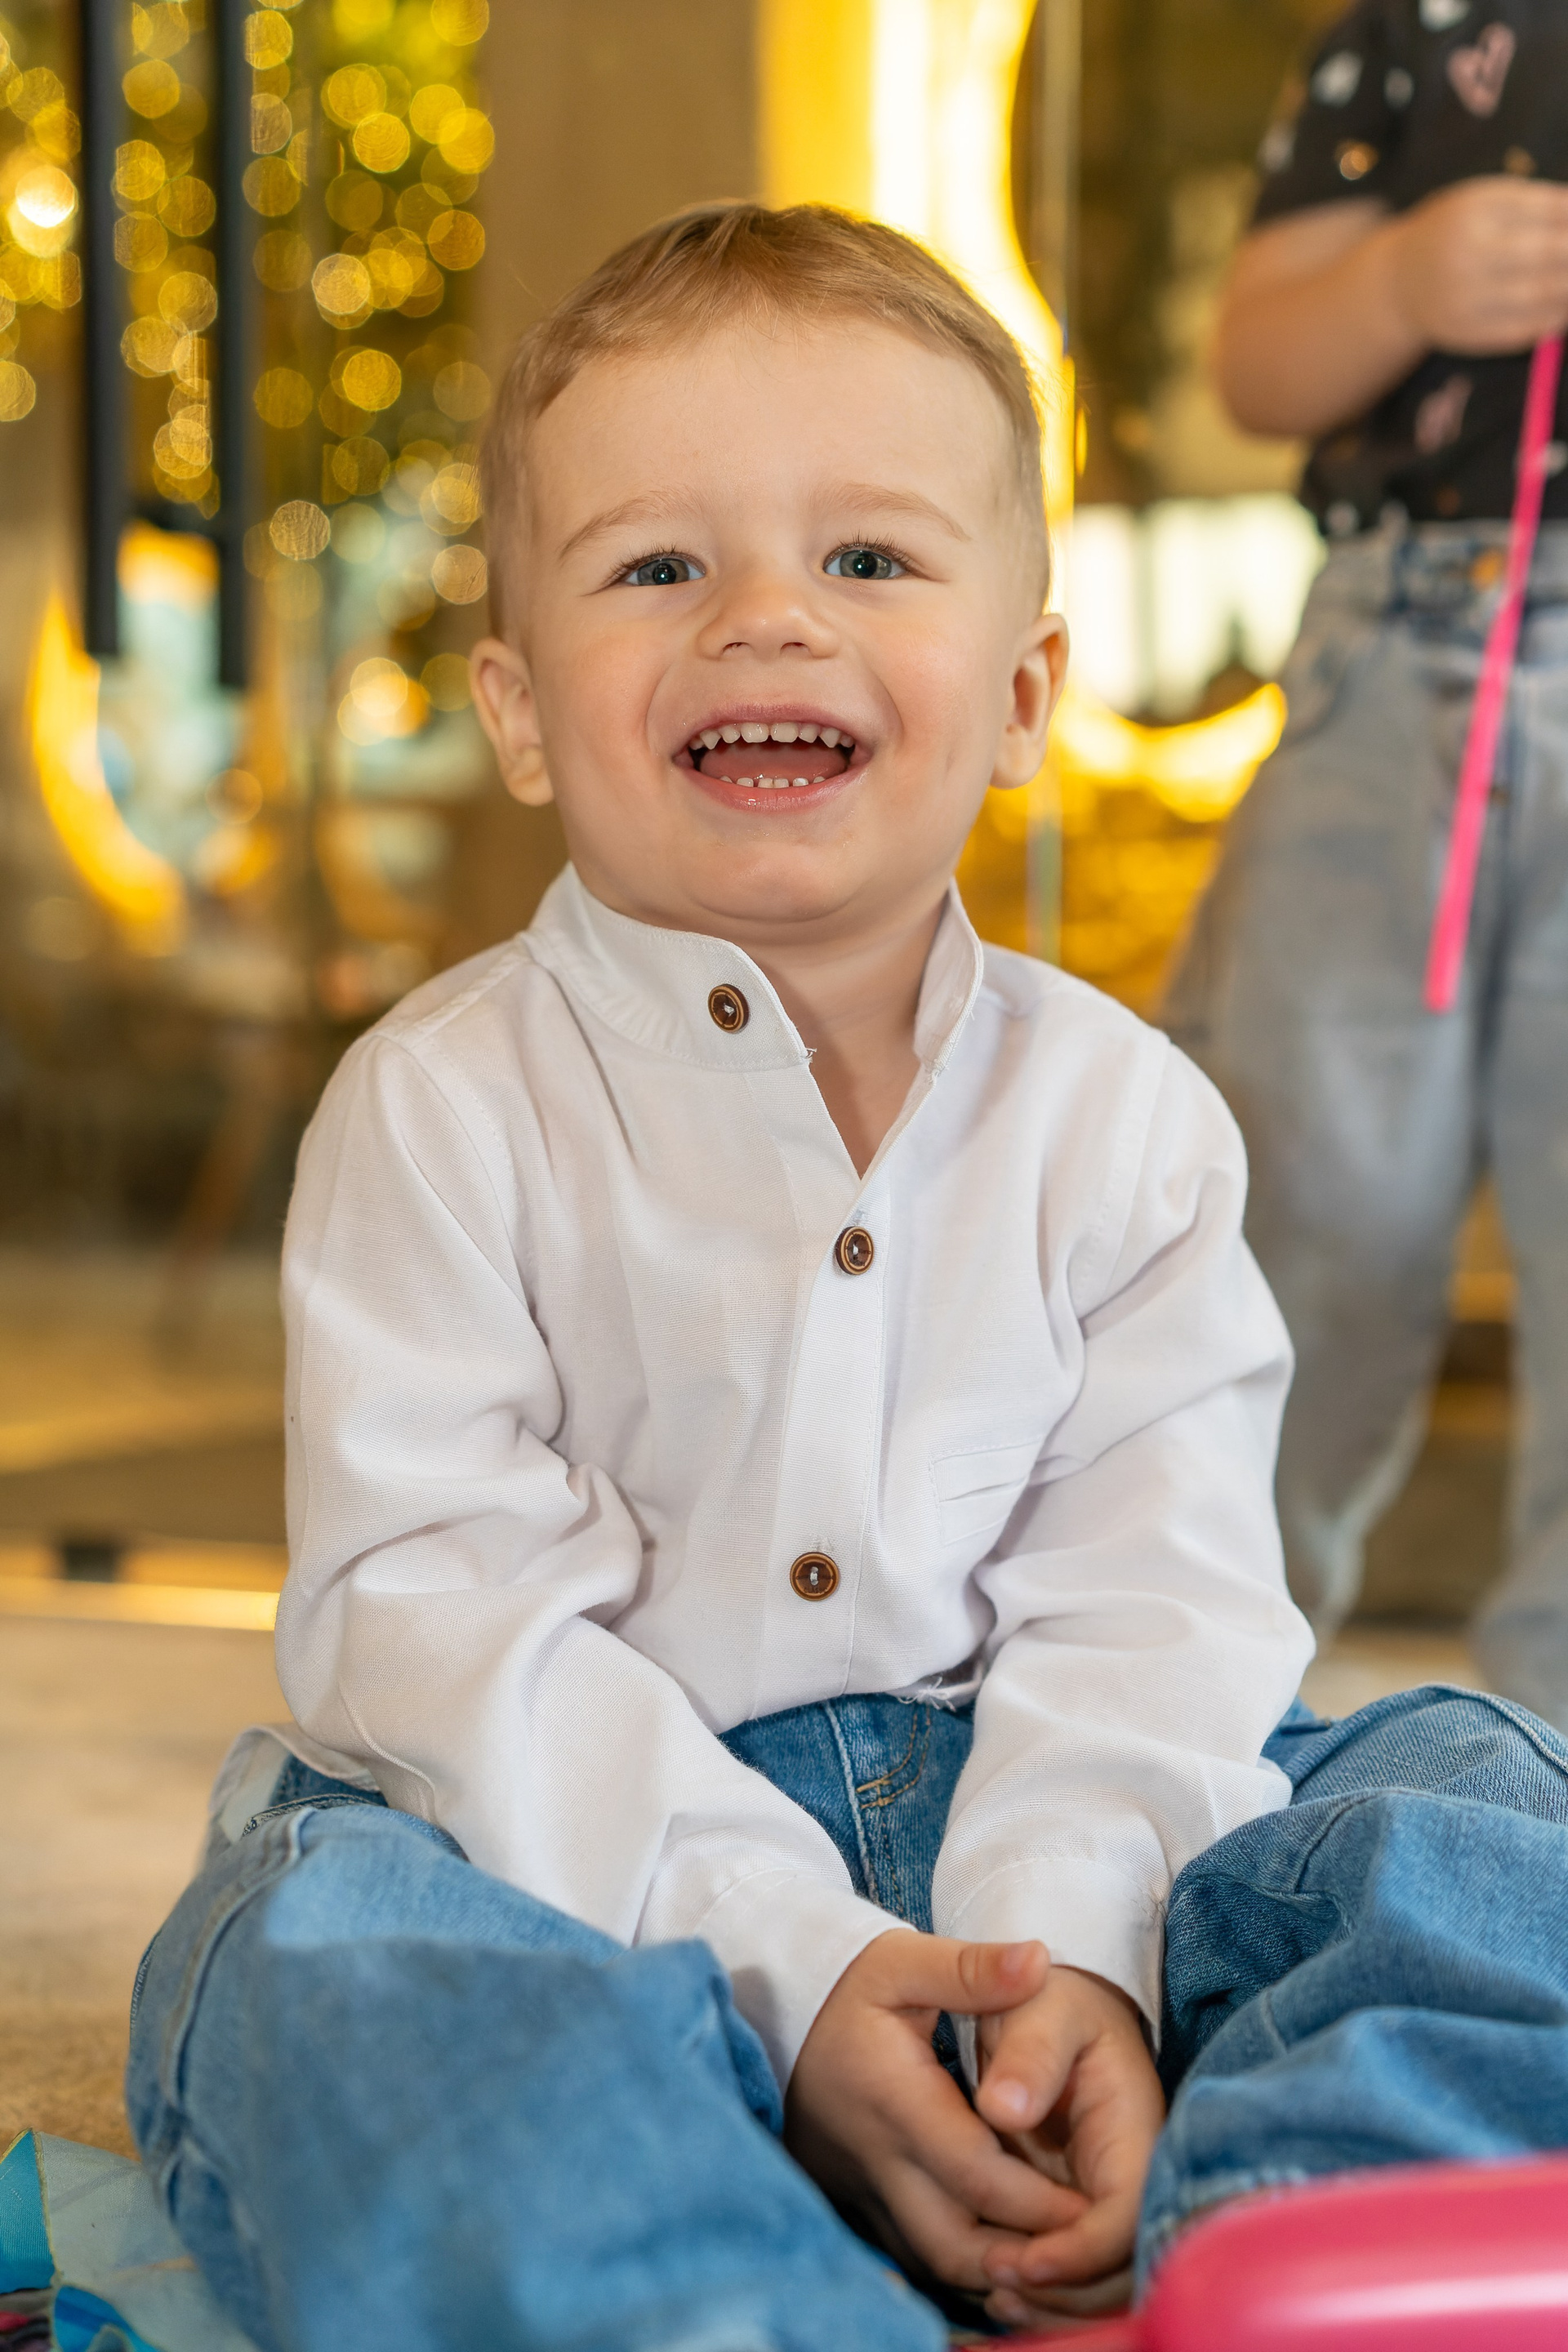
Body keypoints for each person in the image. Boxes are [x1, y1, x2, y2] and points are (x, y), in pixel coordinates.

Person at [127, 205, 1568, 2352]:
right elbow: (442, 1630)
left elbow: (1156, 1599)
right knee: (332, 1961)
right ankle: (721, 2300)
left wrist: (1077, 1956)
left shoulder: (1131, 1119)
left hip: (1059, 1816)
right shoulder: (438, 1108)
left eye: (870, 557)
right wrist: (791, 1964)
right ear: (518, 711)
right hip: (564, 1866)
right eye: (657, 568)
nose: (767, 618)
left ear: (1024, 696)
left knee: (1483, 1815)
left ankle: (1264, 2236)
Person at [1164, 0, 1568, 1722]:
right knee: (1312, 1208)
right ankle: (1190, 1700)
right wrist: (1401, 280)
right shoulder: (1411, 29)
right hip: (1403, 649)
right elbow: (1258, 364)